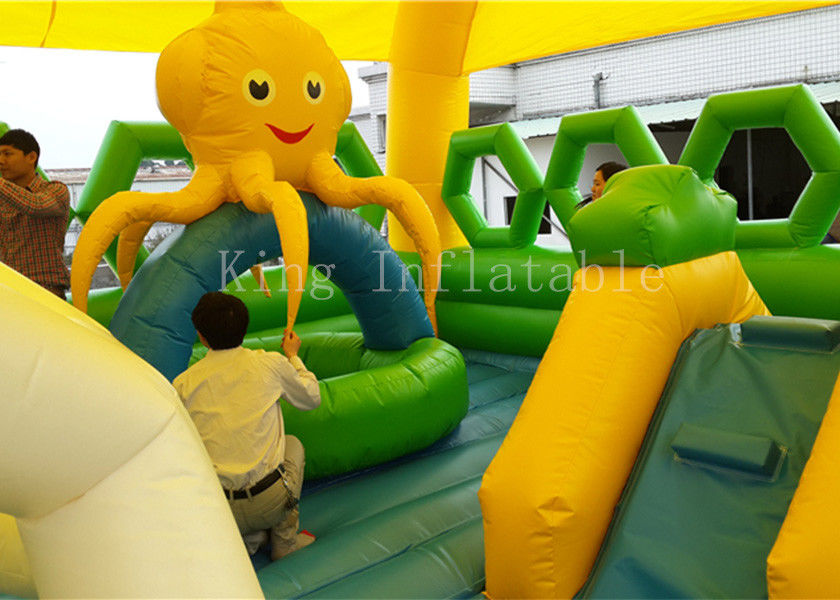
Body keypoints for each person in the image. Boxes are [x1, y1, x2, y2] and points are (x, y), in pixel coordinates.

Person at [173, 291, 321, 560]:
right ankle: (284, 542)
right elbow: (311, 398)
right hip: (270, 502)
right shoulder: (268, 364)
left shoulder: (183, 383)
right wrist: (293, 356)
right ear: (244, 328)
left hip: (219, 511)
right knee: (293, 445)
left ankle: (247, 539)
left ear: (201, 336)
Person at [0, 129, 71, 298]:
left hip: (46, 291)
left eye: (7, 154)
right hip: (9, 293)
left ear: (31, 157)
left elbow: (35, 206)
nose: (1, 160)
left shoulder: (56, 190)